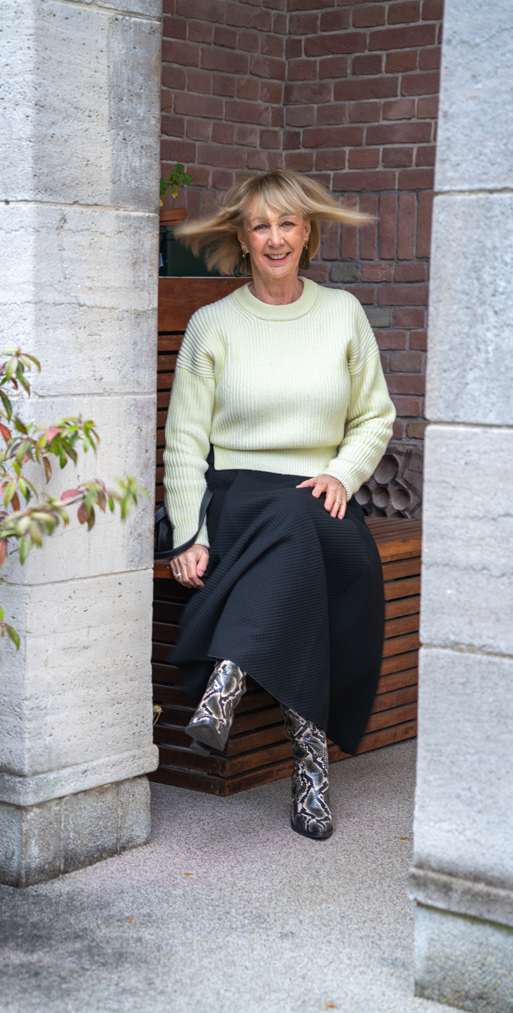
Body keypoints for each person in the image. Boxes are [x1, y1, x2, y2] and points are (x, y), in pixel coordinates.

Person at [163, 168, 395, 840]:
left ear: (306, 232)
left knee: (310, 534)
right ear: (241, 235)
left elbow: (373, 416)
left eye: (286, 223)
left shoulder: (341, 313)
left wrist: (342, 474)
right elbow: (184, 441)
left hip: (321, 499)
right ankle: (310, 765)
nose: (273, 238)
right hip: (238, 497)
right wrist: (189, 534)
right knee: (291, 528)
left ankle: (226, 678)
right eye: (260, 224)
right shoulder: (214, 325)